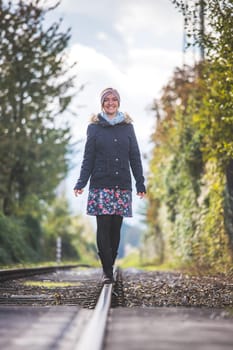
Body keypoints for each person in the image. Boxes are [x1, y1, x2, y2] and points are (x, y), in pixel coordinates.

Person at [73, 87, 146, 283]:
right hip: (100, 184)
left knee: (116, 228)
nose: (111, 102)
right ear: (102, 103)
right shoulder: (94, 128)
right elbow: (88, 157)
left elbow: (135, 157)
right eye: (107, 99)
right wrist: (81, 182)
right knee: (103, 226)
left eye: (114, 99)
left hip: (122, 184)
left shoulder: (128, 128)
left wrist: (140, 183)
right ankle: (106, 270)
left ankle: (110, 261)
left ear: (118, 103)